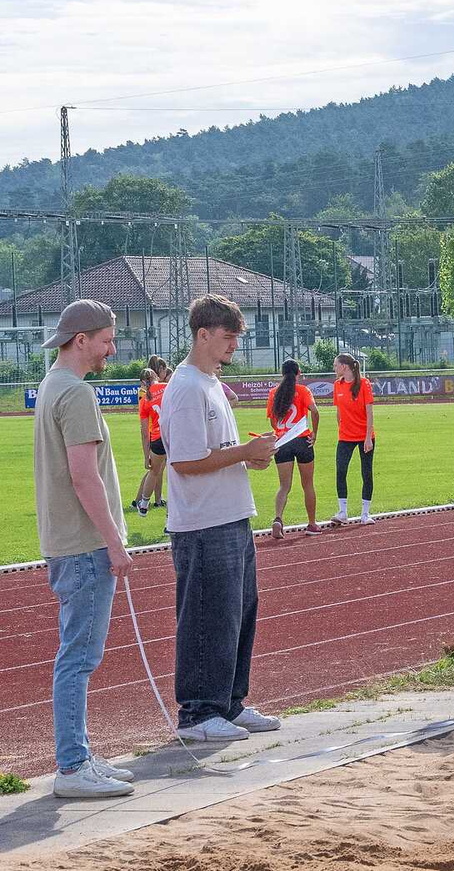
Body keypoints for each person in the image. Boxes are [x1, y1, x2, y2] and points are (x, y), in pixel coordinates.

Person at [162, 294, 281, 742]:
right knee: (208, 616)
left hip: (229, 516)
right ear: (203, 334)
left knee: (238, 613)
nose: (235, 345)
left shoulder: (209, 383)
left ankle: (228, 703)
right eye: (229, 337)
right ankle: (197, 712)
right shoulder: (188, 386)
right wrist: (245, 453)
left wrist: (248, 459)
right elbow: (187, 461)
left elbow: (211, 455)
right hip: (202, 523)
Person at [34, 300, 137, 798]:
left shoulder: (54, 386)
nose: (111, 350)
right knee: (78, 656)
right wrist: (115, 542)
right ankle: (73, 766)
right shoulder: (74, 394)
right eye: (105, 340)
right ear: (82, 340)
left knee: (78, 654)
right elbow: (83, 476)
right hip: (83, 545)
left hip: (68, 543)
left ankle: (80, 756)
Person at [266, 359, 321, 539]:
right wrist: (314, 433)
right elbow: (315, 411)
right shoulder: (303, 390)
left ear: (282, 373)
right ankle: (312, 524)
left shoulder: (274, 393)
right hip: (302, 440)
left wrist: (280, 432)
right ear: (298, 372)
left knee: (284, 486)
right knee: (308, 484)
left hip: (282, 442)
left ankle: (278, 519)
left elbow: (273, 420)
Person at [330, 352, 376, 525]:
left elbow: (370, 413)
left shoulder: (364, 383)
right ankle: (342, 512)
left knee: (367, 473)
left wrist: (368, 438)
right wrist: (341, 429)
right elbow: (338, 412)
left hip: (364, 436)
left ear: (344, 366)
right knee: (341, 471)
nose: (334, 368)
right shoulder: (337, 385)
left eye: (335, 365)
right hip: (345, 437)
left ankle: (365, 513)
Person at [134, 366, 167, 516]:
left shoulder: (144, 399)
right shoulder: (167, 387)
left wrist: (146, 455)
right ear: (156, 376)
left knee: (154, 472)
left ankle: (144, 504)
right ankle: (170, 517)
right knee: (174, 475)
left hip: (157, 438)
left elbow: (144, 433)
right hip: (173, 435)